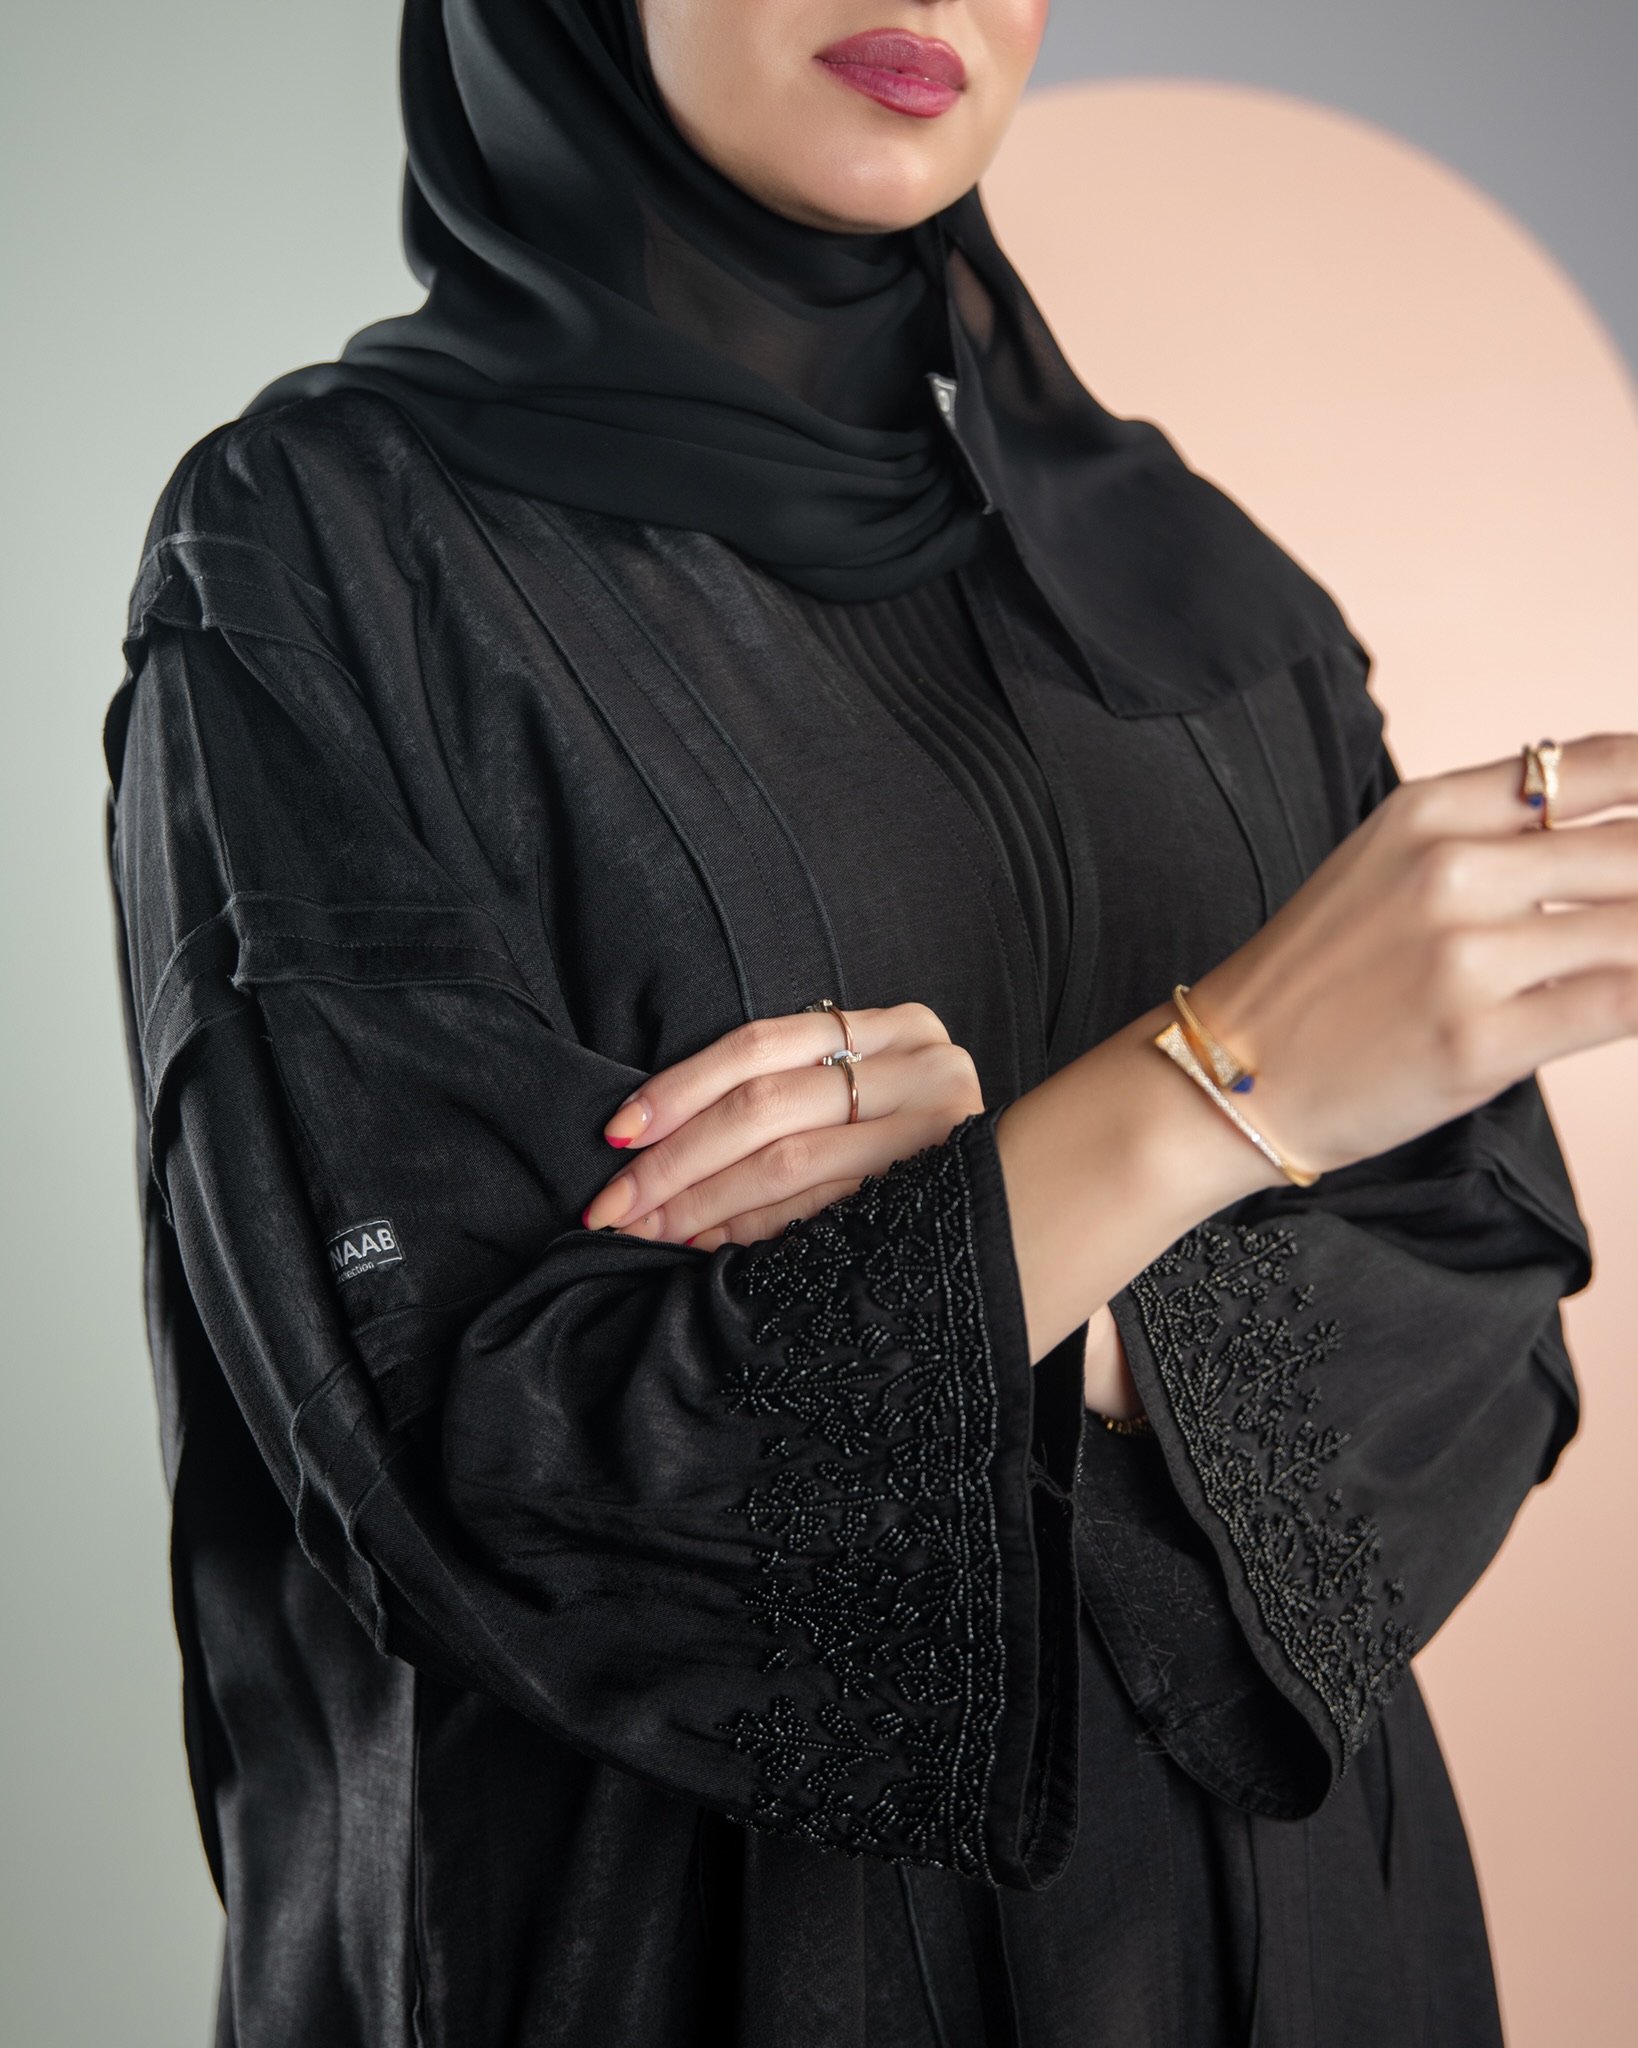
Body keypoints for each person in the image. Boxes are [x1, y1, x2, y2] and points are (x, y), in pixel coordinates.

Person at [104, 1, 1637, 2042]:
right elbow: (489, 1489)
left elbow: (1483, 1332)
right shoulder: (320, 552)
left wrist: (1011, 1243)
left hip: (1311, 1961)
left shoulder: (1204, 590)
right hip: (670, 1969)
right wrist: (1193, 1104)